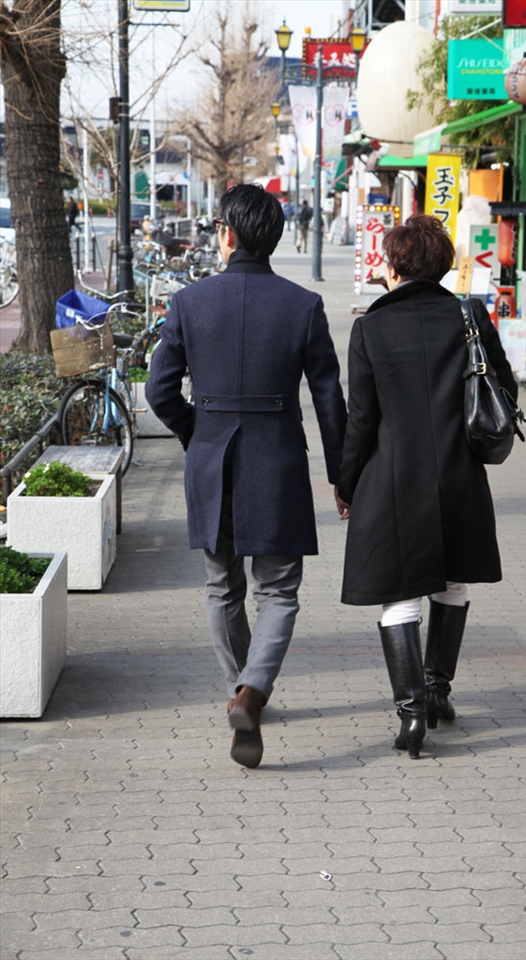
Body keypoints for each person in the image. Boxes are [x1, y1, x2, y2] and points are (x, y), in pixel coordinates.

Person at [146, 184, 347, 769]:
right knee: (279, 589)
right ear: (275, 238)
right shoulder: (303, 304)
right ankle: (253, 693)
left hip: (212, 459)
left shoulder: (189, 302)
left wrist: (197, 435)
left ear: (227, 234)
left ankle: (241, 689)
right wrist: (342, 475)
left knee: (221, 585)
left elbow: (160, 391)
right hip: (277, 460)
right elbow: (330, 401)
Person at [335, 215, 518, 760]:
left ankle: (411, 716)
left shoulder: (369, 328)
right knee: (454, 582)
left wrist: (346, 484)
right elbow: (503, 385)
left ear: (392, 266)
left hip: (395, 480)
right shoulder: (469, 314)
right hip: (461, 473)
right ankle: (438, 693)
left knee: (400, 592)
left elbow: (360, 421)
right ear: (440, 266)